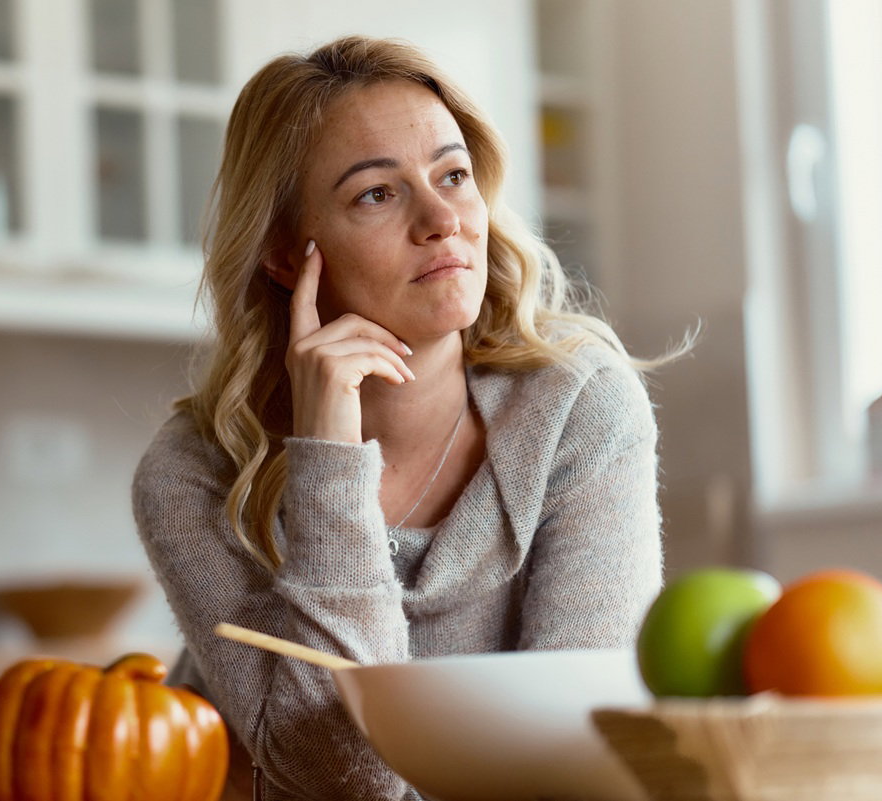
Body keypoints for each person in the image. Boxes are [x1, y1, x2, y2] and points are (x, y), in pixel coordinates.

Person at [133, 35, 673, 801]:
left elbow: (577, 750)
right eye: (376, 194)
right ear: (287, 255)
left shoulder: (578, 410)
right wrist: (328, 459)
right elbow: (335, 776)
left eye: (453, 176)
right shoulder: (194, 470)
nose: (442, 219)